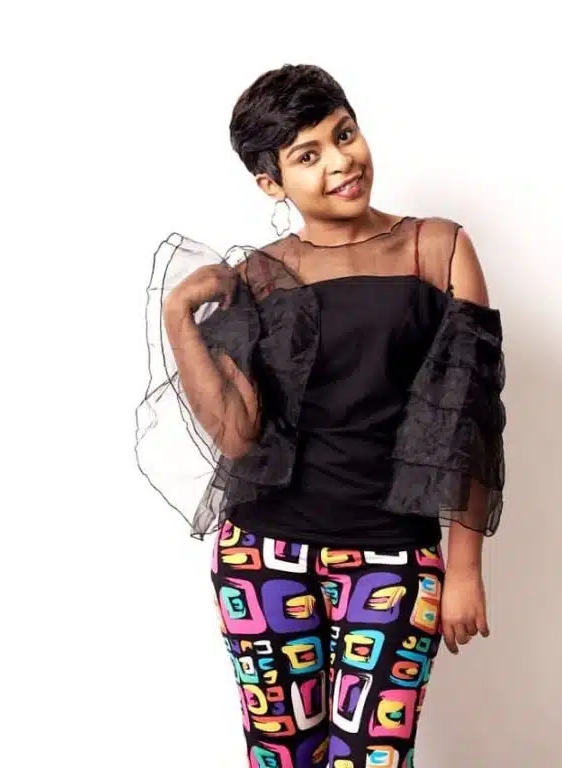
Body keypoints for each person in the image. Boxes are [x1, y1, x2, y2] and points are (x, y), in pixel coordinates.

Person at [137, 64, 506, 767]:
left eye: (345, 134)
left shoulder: (436, 249)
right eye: (307, 155)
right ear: (271, 183)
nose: (341, 162)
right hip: (264, 555)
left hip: (392, 552)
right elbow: (238, 434)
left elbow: (470, 416)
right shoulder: (260, 276)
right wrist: (179, 316)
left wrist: (464, 568)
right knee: (281, 756)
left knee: (374, 757)